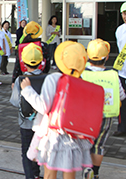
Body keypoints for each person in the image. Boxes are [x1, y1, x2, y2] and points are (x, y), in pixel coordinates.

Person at [20, 41, 93, 179]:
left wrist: (27, 90)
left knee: (49, 173)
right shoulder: (83, 82)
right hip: (74, 135)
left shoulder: (53, 79)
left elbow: (43, 107)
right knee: (69, 171)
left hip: (53, 134)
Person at [81, 39, 126, 179]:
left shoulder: (82, 74)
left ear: (87, 55)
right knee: (98, 145)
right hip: (105, 116)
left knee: (85, 142)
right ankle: (96, 172)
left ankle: (87, 168)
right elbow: (122, 96)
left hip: (85, 117)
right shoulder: (113, 75)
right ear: (106, 57)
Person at [10, 43, 43, 179]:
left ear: (23, 62)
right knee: (39, 149)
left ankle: (31, 176)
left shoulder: (20, 80)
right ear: (41, 62)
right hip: (42, 123)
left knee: (26, 151)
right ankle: (37, 174)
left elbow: (14, 101)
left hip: (25, 123)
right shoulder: (47, 78)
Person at [12, 21, 50, 89]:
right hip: (40, 77)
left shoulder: (22, 46)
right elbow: (47, 63)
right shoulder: (43, 46)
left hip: (25, 78)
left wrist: (14, 80)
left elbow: (17, 66)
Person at [113, 2, 126, 137]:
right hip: (122, 71)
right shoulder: (119, 30)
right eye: (124, 13)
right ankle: (122, 127)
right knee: (122, 101)